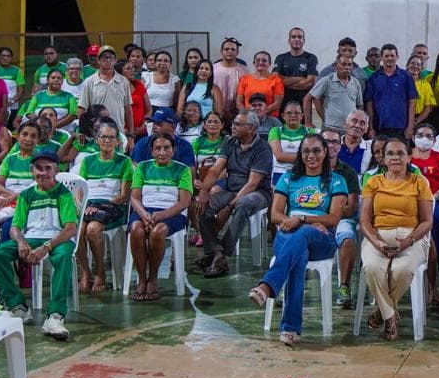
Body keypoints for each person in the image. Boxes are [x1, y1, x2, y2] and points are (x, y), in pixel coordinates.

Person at [247, 134, 347, 347]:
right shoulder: (289, 177)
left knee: (302, 234)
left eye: (316, 151)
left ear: (325, 152)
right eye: (306, 151)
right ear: (300, 154)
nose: (311, 156)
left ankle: (267, 286)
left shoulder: (337, 180)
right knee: (298, 254)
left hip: (322, 240)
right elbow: (274, 215)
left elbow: (333, 218)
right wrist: (298, 223)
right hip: (289, 235)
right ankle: (290, 328)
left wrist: (301, 219)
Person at [0, 148, 79, 340]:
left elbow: (70, 228)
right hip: (31, 237)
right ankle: (17, 306)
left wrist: (47, 246)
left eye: (48, 168)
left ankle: (55, 315)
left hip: (58, 238)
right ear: (32, 170)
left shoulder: (63, 194)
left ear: (55, 170)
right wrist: (21, 242)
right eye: (39, 168)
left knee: (63, 256)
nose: (43, 173)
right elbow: (15, 227)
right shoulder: (26, 194)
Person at [359, 135, 434, 339]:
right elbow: (364, 220)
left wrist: (408, 240)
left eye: (401, 153)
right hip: (378, 236)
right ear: (382, 158)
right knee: (373, 268)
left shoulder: (419, 183)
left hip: (412, 237)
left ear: (410, 157)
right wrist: (375, 241)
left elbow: (427, 221)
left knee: (403, 269)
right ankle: (391, 317)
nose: (395, 158)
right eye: (390, 153)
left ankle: (382, 312)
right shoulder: (373, 182)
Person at [194, 109, 273, 277]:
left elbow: (252, 184)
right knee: (202, 205)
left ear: (251, 128)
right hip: (231, 190)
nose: (233, 127)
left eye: (238, 124)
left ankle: (223, 254)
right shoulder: (230, 142)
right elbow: (215, 170)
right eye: (234, 123)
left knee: (244, 203)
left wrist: (229, 207)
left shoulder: (263, 148)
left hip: (258, 193)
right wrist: (204, 192)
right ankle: (216, 252)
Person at [128, 134, 193, 300]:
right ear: (151, 151)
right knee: (136, 229)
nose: (162, 152)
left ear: (173, 151)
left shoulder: (182, 169)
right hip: (145, 211)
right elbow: (135, 197)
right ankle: (141, 279)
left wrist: (161, 215)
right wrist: (144, 215)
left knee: (158, 231)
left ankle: (153, 279)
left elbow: (185, 201)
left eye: (167, 148)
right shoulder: (142, 167)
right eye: (158, 148)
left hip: (172, 212)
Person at [0, 119, 44, 288]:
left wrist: (12, 199)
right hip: (7, 203)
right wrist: (9, 197)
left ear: (38, 139)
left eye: (33, 136)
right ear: (17, 137)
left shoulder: (41, 161)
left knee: (10, 227)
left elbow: (38, 188)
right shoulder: (10, 159)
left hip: (31, 206)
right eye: (24, 134)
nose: (28, 139)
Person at [76, 123, 133, 293]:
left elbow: (124, 196)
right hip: (89, 206)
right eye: (103, 137)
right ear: (97, 139)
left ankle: (100, 271)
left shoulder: (124, 162)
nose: (107, 141)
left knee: (93, 229)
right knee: (77, 229)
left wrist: (101, 206)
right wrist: (84, 206)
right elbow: (79, 191)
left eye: (111, 137)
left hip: (113, 205)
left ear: (117, 142)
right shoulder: (87, 160)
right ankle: (86, 272)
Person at [410, 122, 439, 290]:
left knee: (437, 219)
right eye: (421, 134)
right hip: (411, 200)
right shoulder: (407, 156)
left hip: (437, 198)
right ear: (413, 137)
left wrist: (434, 196)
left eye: (429, 136)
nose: (424, 138)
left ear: (434, 140)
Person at [323, 127, 362, 308]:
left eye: (335, 142)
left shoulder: (348, 172)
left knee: (347, 238)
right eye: (327, 142)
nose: (331, 146)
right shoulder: (309, 168)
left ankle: (344, 287)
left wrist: (331, 216)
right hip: (314, 218)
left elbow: (352, 206)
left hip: (341, 218)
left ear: (340, 146)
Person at [363, 44, 418, 139]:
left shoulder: (406, 76)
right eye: (386, 56)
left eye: (392, 56)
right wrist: (371, 128)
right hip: (379, 127)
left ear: (397, 57)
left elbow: (412, 102)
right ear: (381, 57)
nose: (389, 58)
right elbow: (369, 104)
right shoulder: (374, 78)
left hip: (401, 127)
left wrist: (410, 126)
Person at [78, 46, 134, 135]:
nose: (108, 60)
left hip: (119, 133)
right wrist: (83, 132)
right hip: (96, 133)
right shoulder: (89, 82)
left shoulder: (123, 81)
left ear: (115, 61)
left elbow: (128, 108)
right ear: (98, 60)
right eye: (105, 57)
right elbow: (81, 109)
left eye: (111, 57)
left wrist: (131, 135)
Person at [305, 54, 364, 131]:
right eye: (343, 64)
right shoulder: (327, 80)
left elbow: (359, 105)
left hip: (350, 129)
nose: (347, 67)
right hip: (330, 128)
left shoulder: (356, 83)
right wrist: (308, 122)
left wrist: (357, 123)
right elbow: (307, 98)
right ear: (336, 66)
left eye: (349, 65)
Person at [268, 101, 316, 184]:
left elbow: (312, 156)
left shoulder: (311, 131)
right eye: (289, 113)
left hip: (304, 172)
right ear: (283, 116)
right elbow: (279, 156)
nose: (293, 116)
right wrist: (303, 158)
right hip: (280, 172)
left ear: (302, 116)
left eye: (297, 113)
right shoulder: (275, 131)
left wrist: (286, 157)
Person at [129, 107, 195, 167]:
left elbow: (190, 174)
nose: (154, 127)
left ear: (173, 126)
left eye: (159, 124)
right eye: (154, 123)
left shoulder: (185, 146)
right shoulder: (142, 143)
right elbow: (135, 170)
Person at [273, 27, 318, 111]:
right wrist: (300, 78)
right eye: (293, 37)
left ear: (304, 40)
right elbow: (275, 80)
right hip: (283, 103)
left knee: (303, 124)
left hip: (304, 105)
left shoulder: (311, 58)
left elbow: (310, 82)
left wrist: (284, 81)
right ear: (289, 40)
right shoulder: (281, 58)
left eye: (300, 37)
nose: (297, 39)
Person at [212, 37, 249, 123]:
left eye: (233, 49)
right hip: (215, 111)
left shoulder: (244, 70)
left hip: (237, 113)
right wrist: (220, 110)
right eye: (226, 49)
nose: (229, 51)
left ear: (237, 52)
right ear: (221, 51)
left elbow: (245, 92)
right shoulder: (213, 69)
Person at [237, 51, 285, 116]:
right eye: (258, 60)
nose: (261, 62)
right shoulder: (244, 79)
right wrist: (246, 114)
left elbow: (277, 104)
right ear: (254, 63)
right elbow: (239, 102)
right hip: (248, 117)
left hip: (269, 117)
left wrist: (261, 113)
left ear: (270, 64)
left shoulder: (276, 80)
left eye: (264, 60)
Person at [0, 46, 27, 116]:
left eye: (8, 56)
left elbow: (20, 90)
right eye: (3, 56)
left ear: (11, 58)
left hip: (12, 105)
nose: (5, 58)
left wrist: (12, 101)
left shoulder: (17, 71)